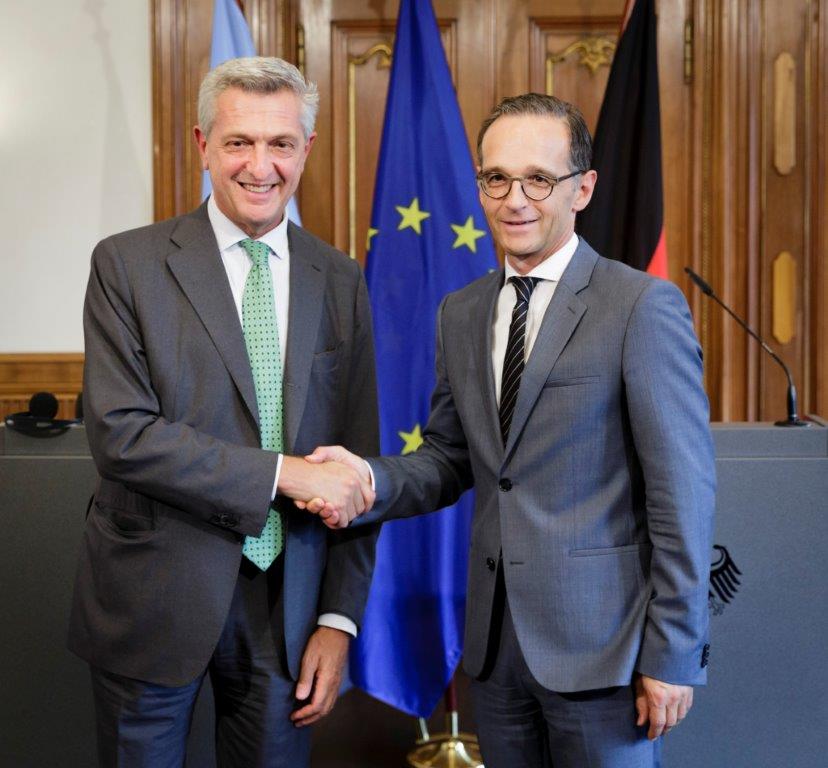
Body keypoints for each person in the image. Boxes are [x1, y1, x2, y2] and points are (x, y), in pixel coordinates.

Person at [302, 94, 716, 768]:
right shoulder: (461, 312)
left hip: (606, 655)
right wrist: (367, 477)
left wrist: (673, 652)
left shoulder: (639, 306)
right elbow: (449, 458)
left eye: (538, 180)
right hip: (495, 657)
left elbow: (683, 495)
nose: (514, 200)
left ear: (583, 189)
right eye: (496, 178)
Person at [68, 57, 378, 767]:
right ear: (203, 144)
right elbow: (121, 436)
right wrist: (284, 474)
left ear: (307, 149)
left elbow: (357, 463)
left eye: (281, 144)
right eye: (239, 142)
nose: (260, 166)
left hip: (287, 610)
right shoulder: (127, 265)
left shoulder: (339, 278)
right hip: (152, 595)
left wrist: (338, 619)